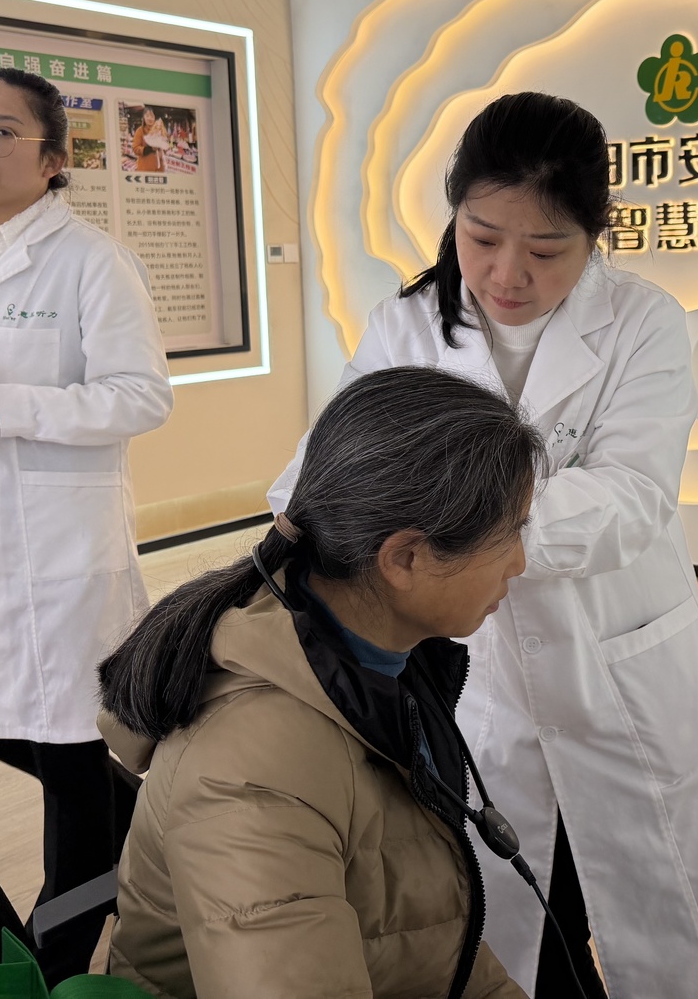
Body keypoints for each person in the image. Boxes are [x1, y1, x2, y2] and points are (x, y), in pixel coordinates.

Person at [268, 92, 698, 998]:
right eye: (482, 236)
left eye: (546, 250)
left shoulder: (643, 323)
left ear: (595, 235)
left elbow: (630, 496)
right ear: (454, 212)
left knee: (674, 933)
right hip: (482, 679)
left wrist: (448, 533)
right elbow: (321, 469)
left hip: (617, 667)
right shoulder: (406, 327)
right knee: (523, 929)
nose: (507, 273)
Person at [99, 368, 538, 998]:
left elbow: (432, 942)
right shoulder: (253, 773)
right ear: (405, 558)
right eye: (510, 533)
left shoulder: (387, 661)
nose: (519, 563)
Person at [0, 67, 173, 980]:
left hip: (64, 553)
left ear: (53, 160)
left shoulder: (91, 260)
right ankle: (163, 836)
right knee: (5, 730)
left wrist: (5, 407)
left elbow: (142, 396)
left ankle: (58, 964)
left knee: (72, 760)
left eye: (4, 131)